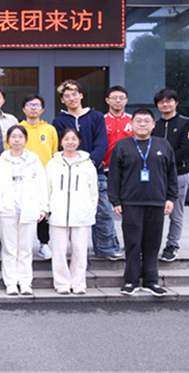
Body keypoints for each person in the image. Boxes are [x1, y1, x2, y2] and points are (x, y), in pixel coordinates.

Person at [109, 108, 178, 297]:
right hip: (131, 201)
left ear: (153, 125)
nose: (142, 124)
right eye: (138, 121)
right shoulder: (122, 145)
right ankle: (131, 280)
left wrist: (171, 198)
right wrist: (115, 200)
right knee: (132, 243)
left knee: (152, 242)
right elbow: (114, 176)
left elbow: (171, 174)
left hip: (156, 201)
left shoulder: (163, 145)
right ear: (131, 124)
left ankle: (151, 281)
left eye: (146, 121)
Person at [52, 80, 123, 261]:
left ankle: (106, 248)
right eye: (67, 96)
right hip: (69, 173)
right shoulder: (59, 121)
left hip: (94, 171)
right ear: (62, 100)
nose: (72, 98)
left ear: (81, 95)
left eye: (75, 94)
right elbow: (60, 146)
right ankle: (72, 249)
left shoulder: (96, 116)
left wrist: (89, 164)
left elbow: (102, 143)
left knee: (102, 210)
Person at [0, 125, 47, 296]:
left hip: (29, 209)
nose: (17, 140)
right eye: (13, 137)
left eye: (20, 137)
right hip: (6, 210)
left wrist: (42, 208)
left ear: (26, 140)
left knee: (25, 248)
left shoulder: (34, 160)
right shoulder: (0, 161)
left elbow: (42, 185)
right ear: (8, 140)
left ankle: (25, 282)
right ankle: (10, 282)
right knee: (9, 248)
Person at [46, 128, 98, 295]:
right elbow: (47, 189)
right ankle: (62, 283)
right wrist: (47, 210)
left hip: (81, 214)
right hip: (58, 214)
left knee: (80, 251)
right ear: (61, 142)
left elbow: (93, 191)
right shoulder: (52, 164)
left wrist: (91, 210)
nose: (70, 142)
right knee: (59, 252)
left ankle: (78, 283)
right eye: (66, 139)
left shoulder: (87, 164)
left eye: (73, 139)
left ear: (79, 141)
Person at [152, 88, 189, 263]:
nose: (165, 104)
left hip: (178, 174)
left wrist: (165, 162)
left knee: (176, 213)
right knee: (154, 213)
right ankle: (151, 245)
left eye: (169, 101)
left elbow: (186, 149)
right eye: (161, 102)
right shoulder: (155, 125)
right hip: (156, 177)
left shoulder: (187, 123)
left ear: (176, 103)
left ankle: (172, 245)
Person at [17, 93, 57, 261]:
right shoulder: (18, 128)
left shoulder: (49, 129)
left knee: (43, 210)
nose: (33, 108)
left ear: (42, 109)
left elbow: (54, 152)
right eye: (30, 105)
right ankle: (20, 244)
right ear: (23, 109)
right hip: (22, 176)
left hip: (44, 176)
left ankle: (44, 244)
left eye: (37, 105)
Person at [103, 85, 133, 171]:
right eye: (114, 98)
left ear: (126, 101)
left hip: (130, 167)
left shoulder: (133, 120)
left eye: (122, 98)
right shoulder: (101, 120)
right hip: (106, 168)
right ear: (107, 100)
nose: (118, 100)